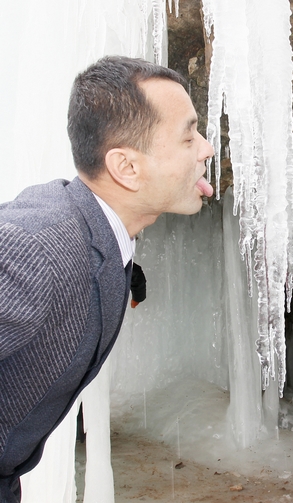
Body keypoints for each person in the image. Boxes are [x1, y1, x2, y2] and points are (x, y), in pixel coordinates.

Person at [0, 56, 214, 502]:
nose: (206, 148)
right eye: (188, 136)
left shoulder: (105, 236)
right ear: (127, 167)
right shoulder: (38, 249)